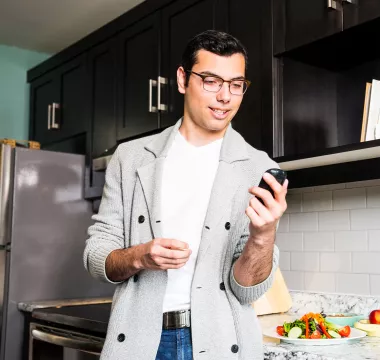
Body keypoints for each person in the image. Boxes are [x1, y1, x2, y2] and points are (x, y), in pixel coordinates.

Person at [83, 29, 288, 360]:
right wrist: (140, 256)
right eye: (211, 81)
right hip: (140, 341)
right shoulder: (131, 157)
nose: (225, 96)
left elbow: (247, 288)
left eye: (236, 85)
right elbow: (96, 255)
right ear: (182, 79)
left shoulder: (258, 168)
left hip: (222, 342)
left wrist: (264, 236)